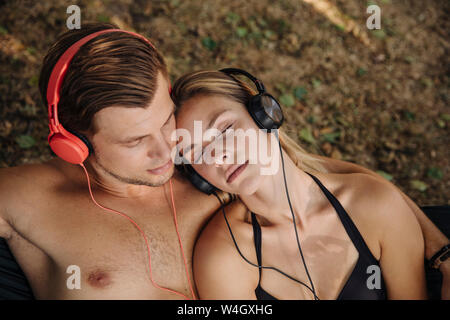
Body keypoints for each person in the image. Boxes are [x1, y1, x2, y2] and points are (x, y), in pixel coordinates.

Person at [0, 23, 448, 299]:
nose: (167, 150)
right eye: (137, 140)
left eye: (166, 122)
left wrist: (438, 246)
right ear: (74, 144)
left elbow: (319, 174)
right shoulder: (28, 198)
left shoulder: (207, 165)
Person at [170, 69, 443, 299]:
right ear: (197, 175)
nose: (218, 156)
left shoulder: (375, 205)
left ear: (264, 114)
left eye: (225, 129)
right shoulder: (223, 258)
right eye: (196, 152)